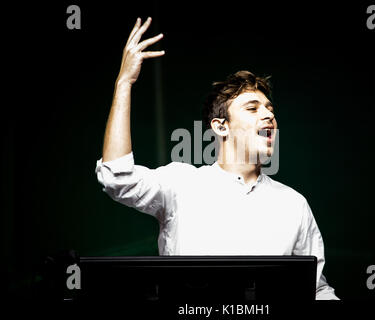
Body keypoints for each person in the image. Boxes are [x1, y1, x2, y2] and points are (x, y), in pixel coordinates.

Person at [95, 17, 339, 300]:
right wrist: (124, 82)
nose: (269, 114)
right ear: (221, 126)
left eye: (270, 108)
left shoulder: (294, 205)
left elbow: (316, 290)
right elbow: (116, 177)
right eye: (252, 108)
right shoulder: (181, 184)